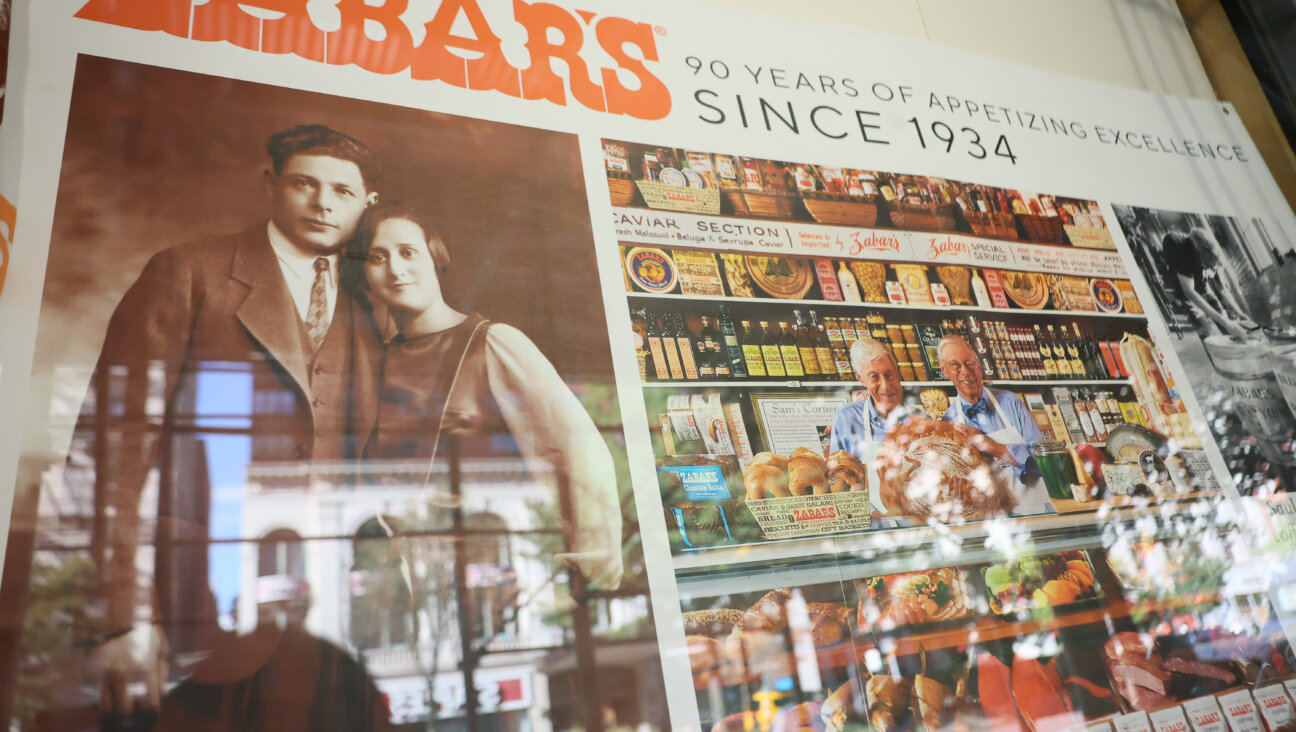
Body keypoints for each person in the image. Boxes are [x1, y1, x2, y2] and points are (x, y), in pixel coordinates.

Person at [73, 124, 384, 717]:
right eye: (304, 184)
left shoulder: (367, 309)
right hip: (192, 613)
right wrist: (120, 616)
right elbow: (111, 450)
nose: (323, 203)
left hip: (324, 631)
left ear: (366, 204)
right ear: (271, 186)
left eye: (343, 192)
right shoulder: (188, 274)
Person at [350, 203, 623, 590]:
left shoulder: (492, 342)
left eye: (408, 252)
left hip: (493, 569)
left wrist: (591, 569)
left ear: (435, 258)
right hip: (415, 583)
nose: (395, 269)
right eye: (378, 258)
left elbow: (583, 453)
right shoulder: (376, 360)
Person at [936, 335, 1048, 512]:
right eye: (955, 365)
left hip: (1035, 511)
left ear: (979, 366)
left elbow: (1044, 460)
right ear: (944, 371)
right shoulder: (949, 422)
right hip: (990, 520)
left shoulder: (1011, 402)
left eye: (970, 363)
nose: (965, 371)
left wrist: (989, 445)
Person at [828, 337, 910, 514]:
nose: (885, 386)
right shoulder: (846, 419)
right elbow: (837, 484)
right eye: (874, 377)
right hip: (870, 529)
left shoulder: (921, 420)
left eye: (889, 375)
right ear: (861, 379)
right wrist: (868, 514)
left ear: (898, 372)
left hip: (918, 527)